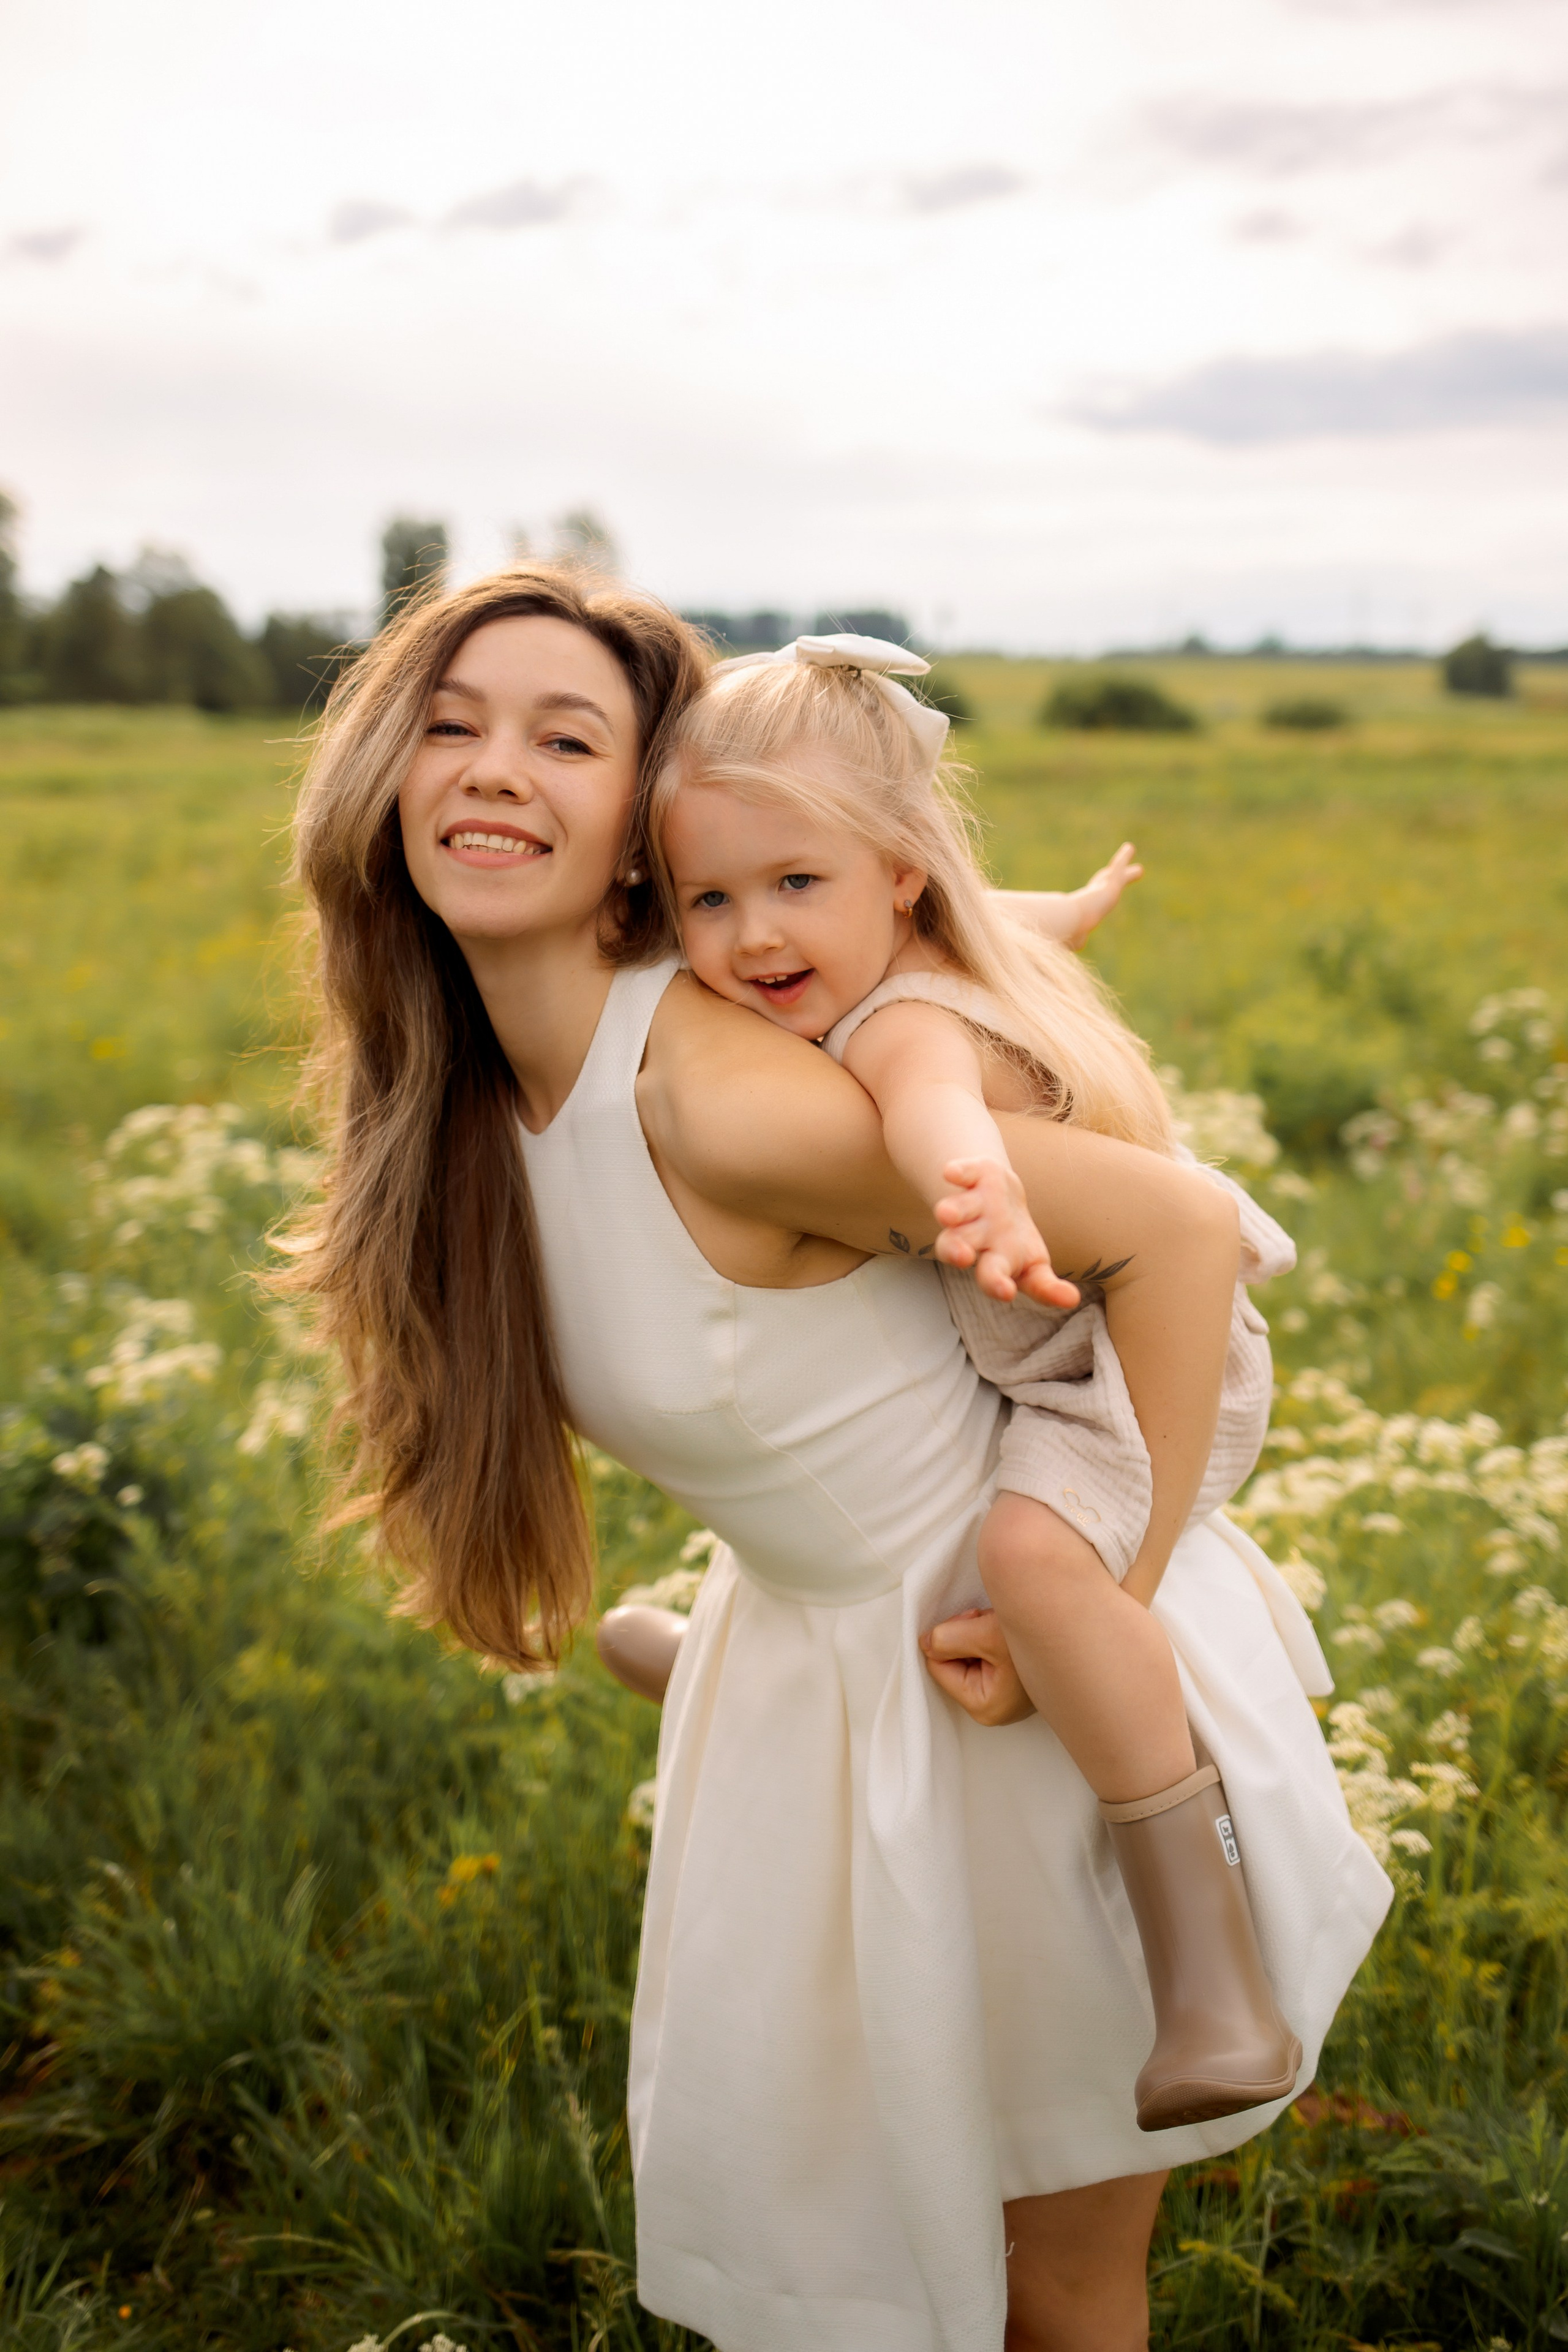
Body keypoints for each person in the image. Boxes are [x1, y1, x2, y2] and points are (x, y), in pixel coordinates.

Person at [282, 565, 1392, 2352]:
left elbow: (1182, 1234)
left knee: (1056, 2287)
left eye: (563, 738)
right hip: (843, 1652)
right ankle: (734, 1643)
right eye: (452, 723)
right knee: (892, 2252)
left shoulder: (727, 1099)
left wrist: (1090, 1590)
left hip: (1017, 1692)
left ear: (632, 833)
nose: (494, 769)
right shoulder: (472, 1099)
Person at [609, 630, 1303, 2134]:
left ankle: (1208, 1969)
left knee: (1030, 1563)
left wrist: (973, 1183)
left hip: (1110, 1358)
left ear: (896, 876)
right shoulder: (913, 928)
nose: (747, 935)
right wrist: (1076, 910)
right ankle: (763, 1683)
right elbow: (1017, 917)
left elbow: (929, 1107)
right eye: (706, 900)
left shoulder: (911, 1015)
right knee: (849, 1420)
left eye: (794, 885)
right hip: (1026, 1327)